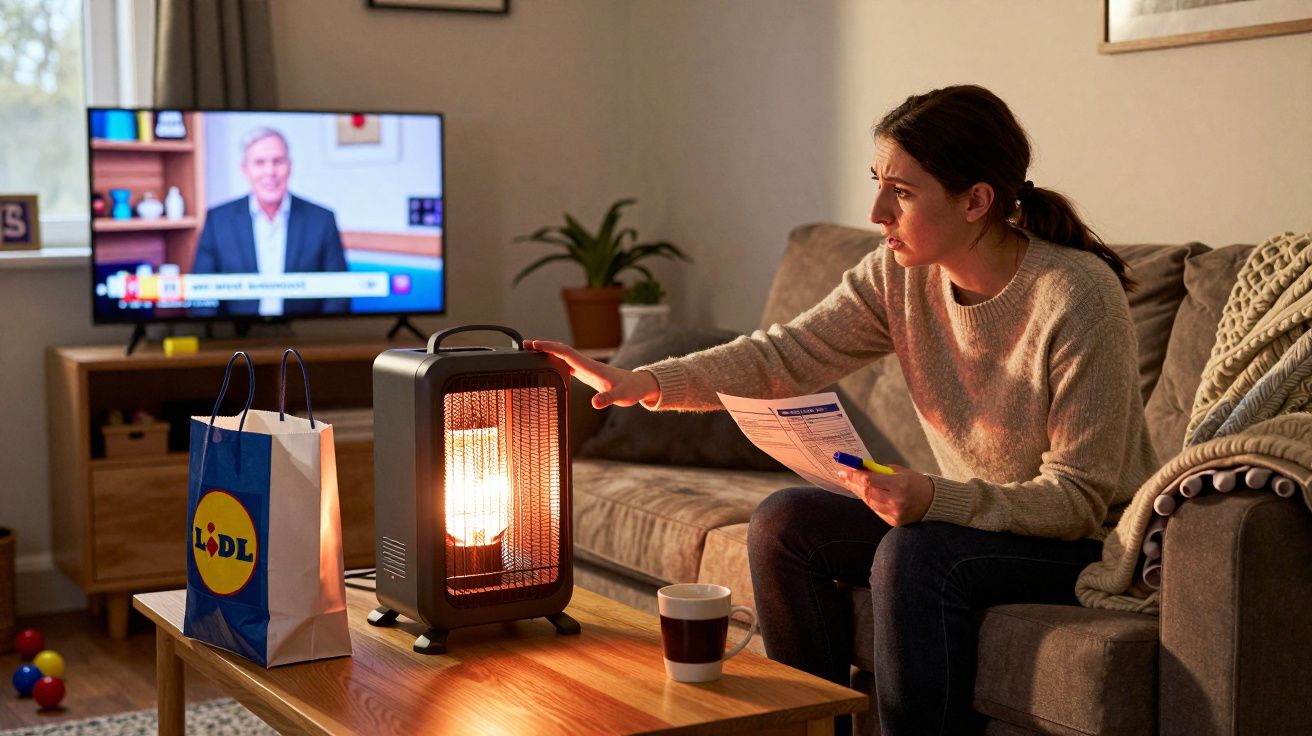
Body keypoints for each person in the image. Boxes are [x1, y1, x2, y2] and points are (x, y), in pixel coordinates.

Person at [527, 84, 1158, 735]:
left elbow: (1079, 497)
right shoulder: (899, 274)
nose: (877, 210)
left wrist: (934, 499)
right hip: (971, 519)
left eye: (903, 192)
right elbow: (783, 356)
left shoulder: (1076, 296)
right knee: (784, 522)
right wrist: (644, 382)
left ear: (975, 201)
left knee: (913, 555)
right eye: (878, 182)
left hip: (1082, 543)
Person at [191, 127, 348, 316]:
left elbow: (339, 294)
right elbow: (201, 296)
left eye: (278, 161)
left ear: (290, 167)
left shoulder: (322, 220)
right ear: (245, 170)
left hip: (305, 337)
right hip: (236, 337)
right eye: (259, 163)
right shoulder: (217, 221)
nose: (270, 171)